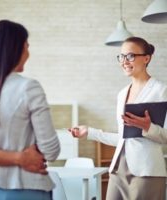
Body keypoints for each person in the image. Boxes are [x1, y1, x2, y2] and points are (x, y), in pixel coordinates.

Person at [0, 19, 60, 200]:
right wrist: (23, 156)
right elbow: (51, 150)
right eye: (27, 46)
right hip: (26, 187)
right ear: (15, 48)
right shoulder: (28, 87)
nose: (28, 52)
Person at [69, 37, 167, 200]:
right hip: (118, 170)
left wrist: (148, 128)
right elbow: (124, 138)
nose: (124, 61)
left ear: (146, 58)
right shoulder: (122, 94)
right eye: (121, 56)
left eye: (130, 56)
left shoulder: (161, 91)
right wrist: (90, 133)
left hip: (146, 172)